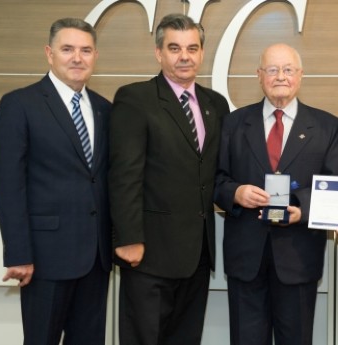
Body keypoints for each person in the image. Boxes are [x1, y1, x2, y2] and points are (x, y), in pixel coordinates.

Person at [108, 13, 230, 345]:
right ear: (158, 53)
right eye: (174, 48)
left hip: (198, 255)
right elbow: (124, 175)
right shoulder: (136, 99)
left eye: (192, 48)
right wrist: (128, 238)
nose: (184, 56)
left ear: (202, 53)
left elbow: (216, 173)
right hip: (149, 253)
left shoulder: (215, 105)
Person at [214, 43, 338, 345]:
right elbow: (215, 180)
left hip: (298, 259)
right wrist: (236, 193)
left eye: (288, 69)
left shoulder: (327, 127)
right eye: (272, 70)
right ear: (259, 76)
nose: (280, 77)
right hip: (246, 260)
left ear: (300, 76)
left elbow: (336, 186)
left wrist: (302, 209)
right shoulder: (234, 124)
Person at [0, 18, 112, 344]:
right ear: (49, 53)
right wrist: (18, 252)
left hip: (96, 259)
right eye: (67, 49)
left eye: (86, 50)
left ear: (95, 56)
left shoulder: (105, 109)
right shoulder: (19, 105)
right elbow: (7, 184)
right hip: (44, 258)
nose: (77, 58)